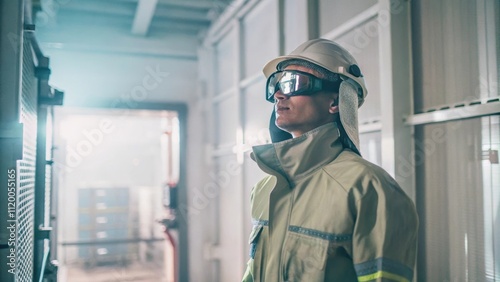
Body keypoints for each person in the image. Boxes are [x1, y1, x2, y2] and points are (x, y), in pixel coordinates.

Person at [242, 38, 418, 282]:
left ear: (336, 102)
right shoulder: (264, 189)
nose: (279, 95)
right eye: (277, 84)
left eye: (294, 83)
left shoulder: (369, 189)